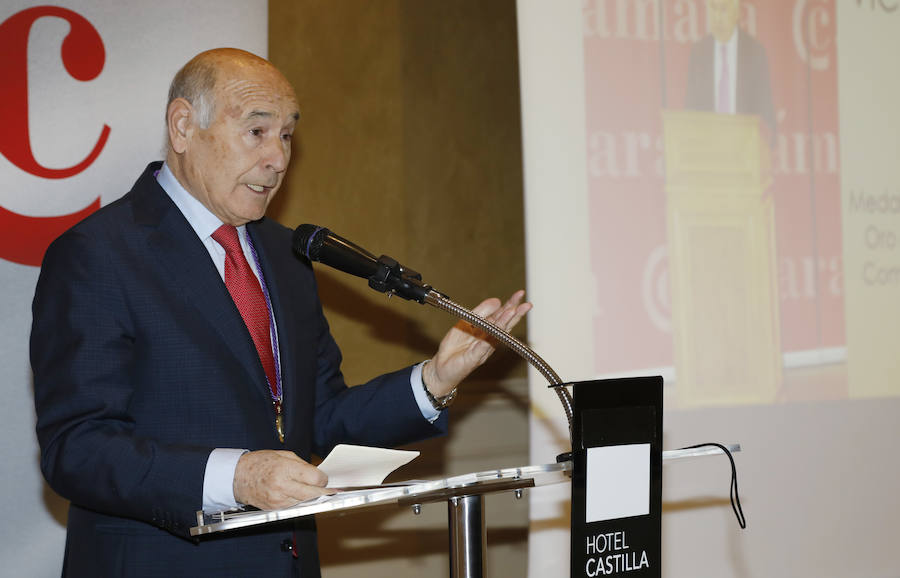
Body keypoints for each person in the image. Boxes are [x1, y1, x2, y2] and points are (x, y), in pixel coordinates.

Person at [31, 47, 530, 577]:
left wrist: (433, 381)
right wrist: (237, 478)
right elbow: (77, 448)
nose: (278, 159)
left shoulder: (284, 254)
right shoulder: (99, 254)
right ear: (182, 127)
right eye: (257, 131)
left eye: (287, 135)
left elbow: (320, 418)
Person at [685, 0, 776, 139]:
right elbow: (690, 110)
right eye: (713, 8)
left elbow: (765, 111)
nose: (717, 17)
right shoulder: (698, 53)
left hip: (744, 144)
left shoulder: (754, 52)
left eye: (723, 9)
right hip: (708, 144)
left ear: (736, 12)